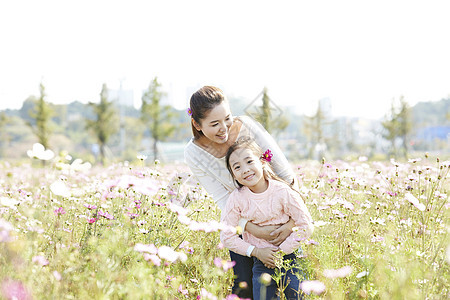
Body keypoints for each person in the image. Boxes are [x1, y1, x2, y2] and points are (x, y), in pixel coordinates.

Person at [184, 86, 299, 298]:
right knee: (245, 290)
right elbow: (223, 200)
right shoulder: (193, 154)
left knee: (293, 289)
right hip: (242, 225)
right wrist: (254, 229)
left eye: (227, 119)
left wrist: (290, 224)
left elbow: (287, 176)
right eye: (214, 124)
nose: (224, 129)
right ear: (197, 124)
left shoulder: (248, 126)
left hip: (281, 220)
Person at [220, 137, 314, 299]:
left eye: (249, 161)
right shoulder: (237, 198)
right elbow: (226, 235)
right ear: (234, 175)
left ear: (263, 162)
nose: (245, 169)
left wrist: (281, 251)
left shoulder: (282, 191)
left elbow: (306, 225)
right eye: (237, 167)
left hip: (290, 257)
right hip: (261, 262)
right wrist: (256, 251)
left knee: (296, 295)